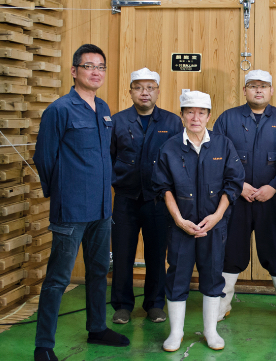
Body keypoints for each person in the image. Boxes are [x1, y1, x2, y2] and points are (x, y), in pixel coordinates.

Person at [33, 44, 129, 361]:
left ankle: (97, 328)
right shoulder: (59, 110)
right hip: (71, 209)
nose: (96, 72)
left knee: (99, 270)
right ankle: (44, 345)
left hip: (102, 209)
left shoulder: (103, 108)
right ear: (74, 71)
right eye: (89, 66)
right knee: (58, 278)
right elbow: (44, 159)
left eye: (100, 66)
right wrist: (60, 192)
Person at [151, 90, 245, 352]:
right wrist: (179, 220)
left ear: (209, 116)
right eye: (190, 112)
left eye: (201, 113)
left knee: (213, 276)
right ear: (181, 115)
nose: (195, 117)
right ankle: (176, 333)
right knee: (177, 277)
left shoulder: (223, 145)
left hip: (214, 226)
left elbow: (233, 183)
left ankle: (211, 331)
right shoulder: (169, 147)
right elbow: (163, 187)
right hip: (180, 227)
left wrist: (216, 217)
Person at [213, 70, 276, 323]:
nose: (258, 90)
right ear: (244, 90)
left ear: (271, 90)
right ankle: (223, 304)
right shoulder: (227, 119)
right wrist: (238, 185)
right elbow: (216, 154)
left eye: (264, 86)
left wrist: (273, 187)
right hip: (235, 199)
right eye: (253, 86)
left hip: (271, 200)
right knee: (231, 251)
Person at [110, 67, 183, 324]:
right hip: (125, 200)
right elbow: (107, 159)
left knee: (156, 254)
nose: (145, 93)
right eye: (139, 87)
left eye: (150, 88)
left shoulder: (173, 122)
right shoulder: (116, 121)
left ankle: (154, 304)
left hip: (158, 201)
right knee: (122, 254)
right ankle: (122, 305)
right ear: (130, 91)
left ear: (158, 92)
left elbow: (178, 161)